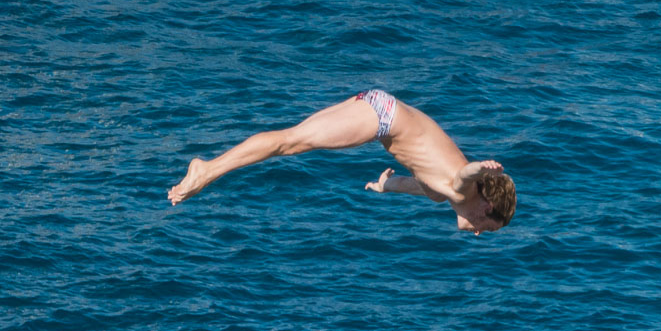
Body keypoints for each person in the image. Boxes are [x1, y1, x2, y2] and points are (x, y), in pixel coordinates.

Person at [168, 90, 516, 235]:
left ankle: (209, 169)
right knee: (288, 143)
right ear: (486, 205)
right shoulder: (462, 186)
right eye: (488, 228)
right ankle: (207, 169)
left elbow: (413, 185)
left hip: (381, 111)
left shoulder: (443, 194)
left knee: (292, 140)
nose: (479, 233)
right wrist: (483, 168)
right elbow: (465, 173)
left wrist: (385, 186)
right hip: (382, 117)